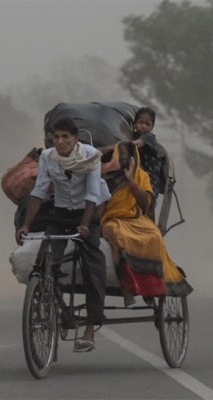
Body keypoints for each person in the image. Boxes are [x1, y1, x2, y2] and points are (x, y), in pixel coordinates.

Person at [15, 117, 107, 353]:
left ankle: (89, 329)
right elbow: (40, 191)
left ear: (75, 138)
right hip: (61, 212)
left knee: (92, 265)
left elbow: (93, 193)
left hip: (87, 213)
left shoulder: (90, 155)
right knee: (44, 260)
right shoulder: (47, 157)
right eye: (56, 137)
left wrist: (85, 225)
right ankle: (54, 306)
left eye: (66, 137)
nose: (61, 141)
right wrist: (26, 225)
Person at [101, 141, 192, 306]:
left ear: (133, 158)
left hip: (136, 218)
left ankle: (151, 287)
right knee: (118, 235)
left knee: (155, 237)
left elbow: (145, 204)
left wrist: (132, 182)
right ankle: (127, 285)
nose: (122, 160)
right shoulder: (104, 175)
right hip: (112, 220)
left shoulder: (141, 176)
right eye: (119, 156)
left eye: (126, 156)